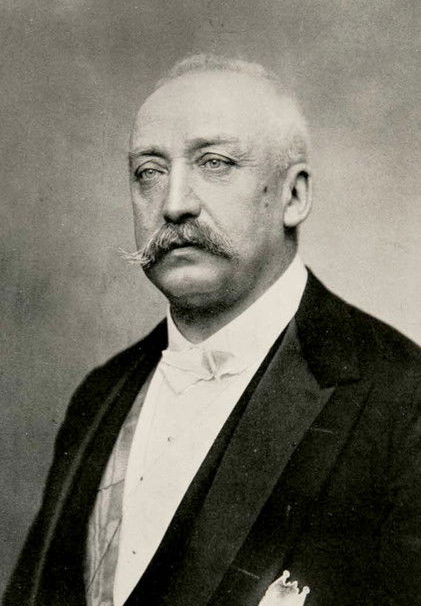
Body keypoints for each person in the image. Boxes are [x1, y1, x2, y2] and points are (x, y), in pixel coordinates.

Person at [4, 55, 421, 606]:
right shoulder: (99, 396)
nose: (174, 204)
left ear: (293, 196)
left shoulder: (402, 399)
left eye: (215, 163)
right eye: (149, 172)